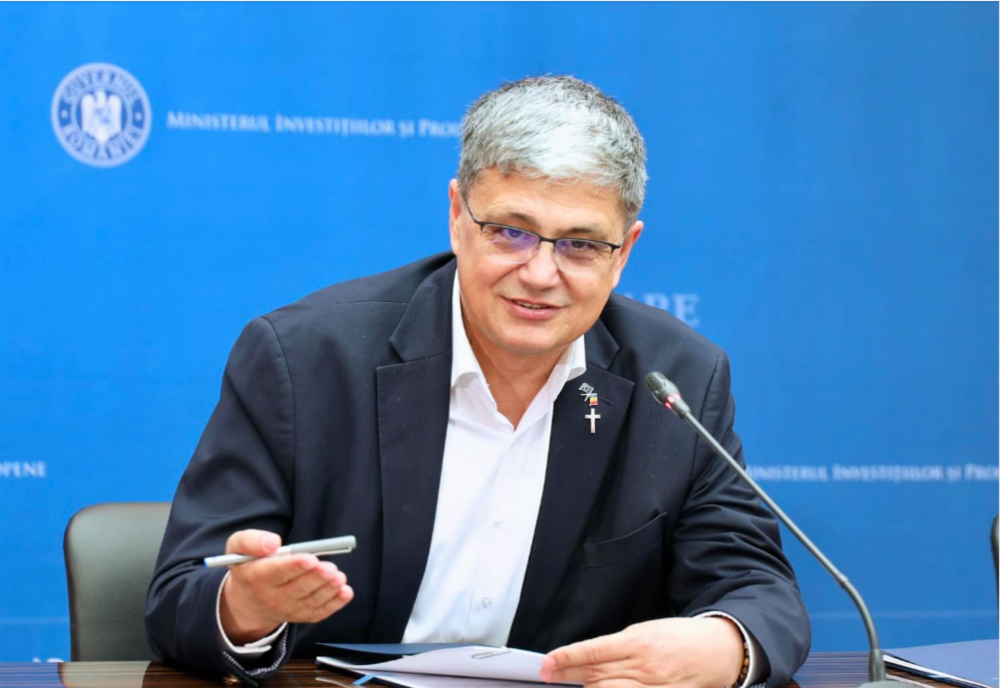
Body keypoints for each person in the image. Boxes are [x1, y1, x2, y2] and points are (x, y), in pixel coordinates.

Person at [146, 75, 810, 688]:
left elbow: (758, 590)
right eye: (511, 232)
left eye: (581, 244)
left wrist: (724, 646)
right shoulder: (304, 360)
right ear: (458, 218)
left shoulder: (678, 382)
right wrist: (247, 608)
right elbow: (179, 598)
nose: (541, 274)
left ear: (624, 252)